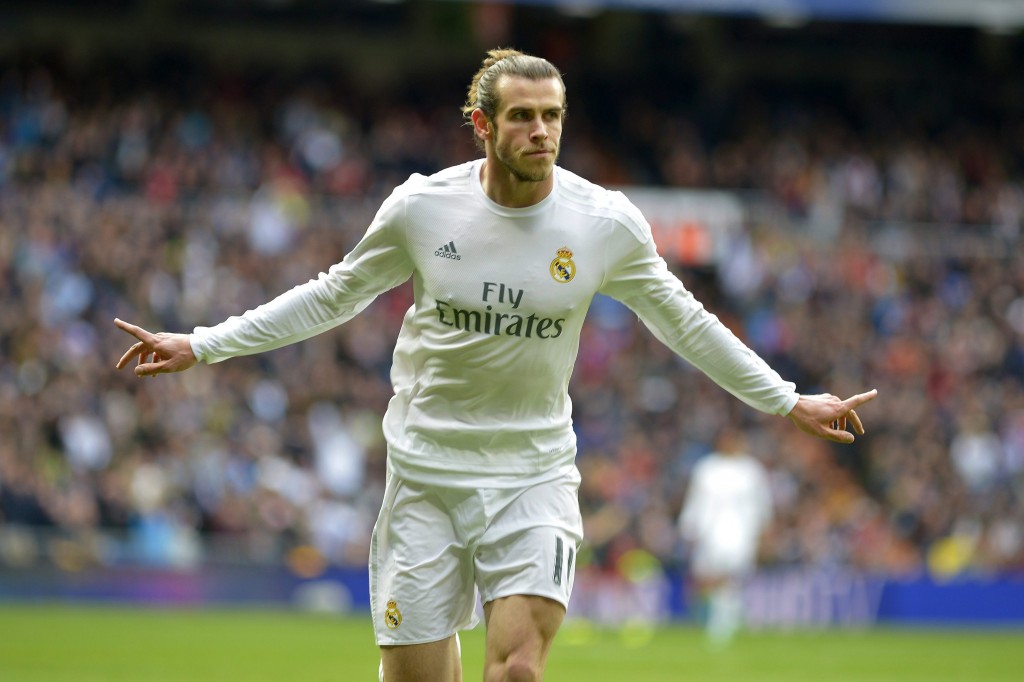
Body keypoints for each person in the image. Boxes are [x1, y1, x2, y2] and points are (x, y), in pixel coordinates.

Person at [114, 48, 877, 682]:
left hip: (532, 476)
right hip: (425, 475)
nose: (541, 131)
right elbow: (332, 295)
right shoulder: (423, 208)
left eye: (552, 116)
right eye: (522, 116)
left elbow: (686, 321)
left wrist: (787, 400)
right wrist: (203, 343)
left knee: (516, 671)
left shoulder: (603, 223)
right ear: (483, 125)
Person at [679, 428, 773, 647]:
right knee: (707, 577)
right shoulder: (707, 468)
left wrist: (763, 531)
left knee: (732, 577)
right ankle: (721, 616)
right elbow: (696, 500)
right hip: (709, 531)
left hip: (742, 532)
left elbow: (762, 504)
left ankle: (723, 622)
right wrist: (689, 528)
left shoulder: (751, 470)